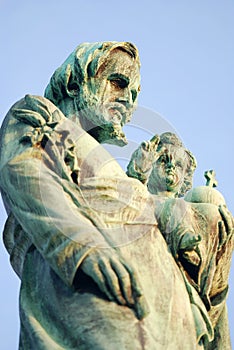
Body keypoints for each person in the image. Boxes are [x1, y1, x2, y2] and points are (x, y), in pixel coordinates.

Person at [0, 42, 225, 349]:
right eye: (119, 82)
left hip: (165, 311)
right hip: (95, 286)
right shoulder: (42, 117)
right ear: (74, 83)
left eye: (134, 94)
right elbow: (26, 173)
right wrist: (82, 247)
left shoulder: (108, 165)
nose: (128, 99)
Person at [127, 132, 234, 349]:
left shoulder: (188, 209)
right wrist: (136, 174)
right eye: (163, 161)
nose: (170, 168)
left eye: (178, 165)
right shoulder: (142, 198)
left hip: (190, 281)